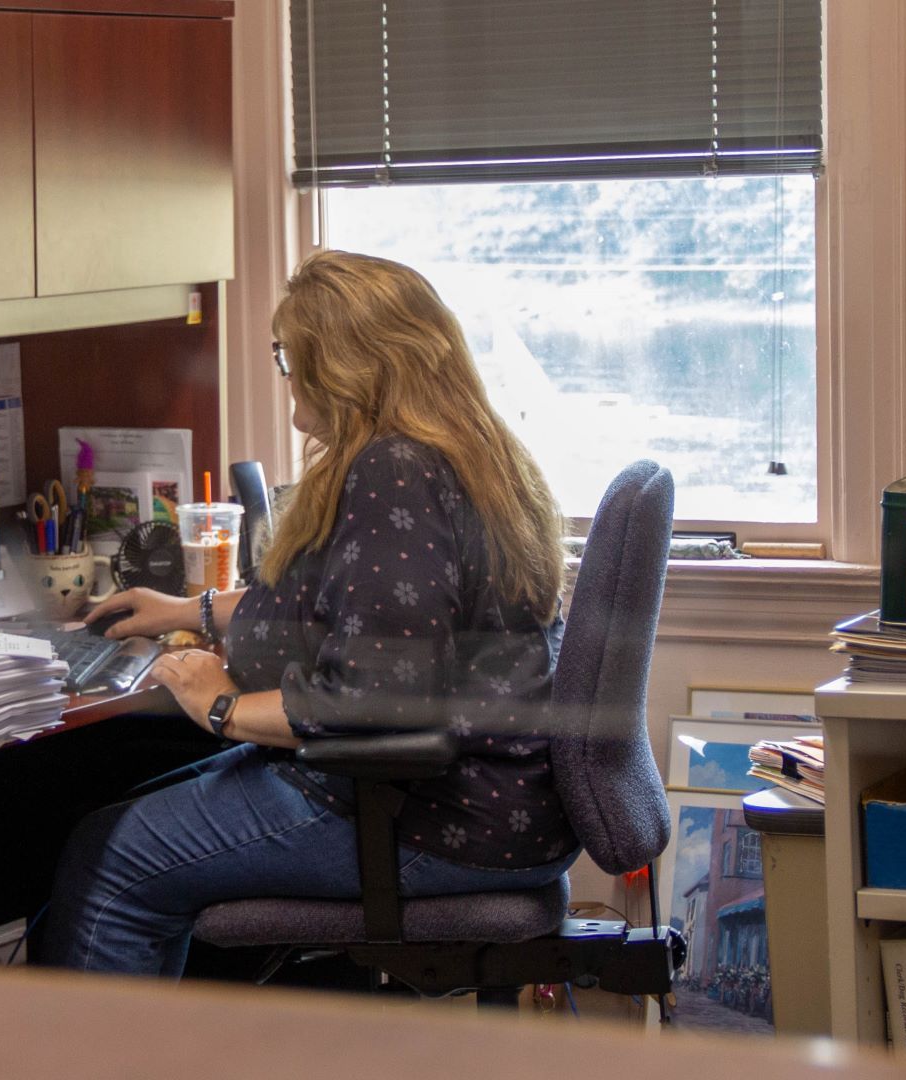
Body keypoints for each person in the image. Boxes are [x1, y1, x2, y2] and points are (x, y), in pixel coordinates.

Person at [41, 250, 579, 977]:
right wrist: (194, 609)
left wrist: (221, 705)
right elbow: (364, 614)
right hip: (469, 795)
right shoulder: (463, 449)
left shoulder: (396, 471)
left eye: (290, 354)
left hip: (427, 812)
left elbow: (377, 695)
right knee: (113, 817)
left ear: (344, 368)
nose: (285, 368)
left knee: (114, 859)